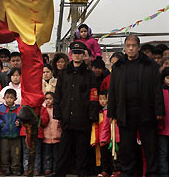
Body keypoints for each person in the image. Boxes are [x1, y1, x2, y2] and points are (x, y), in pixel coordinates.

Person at [107, 35, 164, 177]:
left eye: (133, 45)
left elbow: (157, 90)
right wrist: (111, 113)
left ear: (139, 47)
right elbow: (112, 91)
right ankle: (127, 172)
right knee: (127, 147)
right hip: (125, 112)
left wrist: (159, 110)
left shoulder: (150, 65)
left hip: (147, 111)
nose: (131, 48)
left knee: (150, 147)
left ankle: (152, 173)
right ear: (125, 47)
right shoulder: (118, 66)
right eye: (128, 45)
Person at [53, 41, 99, 177]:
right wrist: (58, 113)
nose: (77, 55)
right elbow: (58, 94)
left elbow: (94, 96)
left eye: (79, 53)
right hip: (67, 116)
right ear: (71, 54)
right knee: (64, 149)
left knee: (82, 149)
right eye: (75, 53)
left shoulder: (89, 74)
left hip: (83, 117)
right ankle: (60, 173)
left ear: (84, 54)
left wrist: (92, 115)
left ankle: (82, 173)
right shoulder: (63, 73)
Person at [0, 88, 21, 175]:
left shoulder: (18, 108)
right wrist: (1, 124)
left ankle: (16, 168)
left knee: (16, 152)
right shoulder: (0, 108)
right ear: (4, 98)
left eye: (11, 98)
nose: (9, 99)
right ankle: (5, 167)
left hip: (16, 134)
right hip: (4, 134)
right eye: (7, 97)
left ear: (15, 99)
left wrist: (19, 122)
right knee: (4, 152)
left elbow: (22, 117)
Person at [97, 90, 121, 177]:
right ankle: (107, 170)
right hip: (105, 137)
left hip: (112, 137)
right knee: (106, 156)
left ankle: (116, 170)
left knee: (115, 155)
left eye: (104, 99)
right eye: (100, 99)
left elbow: (106, 127)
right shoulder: (101, 111)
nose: (102, 101)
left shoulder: (109, 111)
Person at [159, 67, 169, 177]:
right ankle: (164, 174)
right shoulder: (159, 92)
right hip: (162, 129)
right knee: (163, 154)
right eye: (167, 78)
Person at [42, 92, 61, 177]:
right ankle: (47, 169)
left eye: (50, 98)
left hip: (57, 136)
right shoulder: (43, 109)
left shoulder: (57, 109)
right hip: (46, 136)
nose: (48, 100)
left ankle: (56, 169)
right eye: (46, 99)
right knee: (47, 155)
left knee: (56, 155)